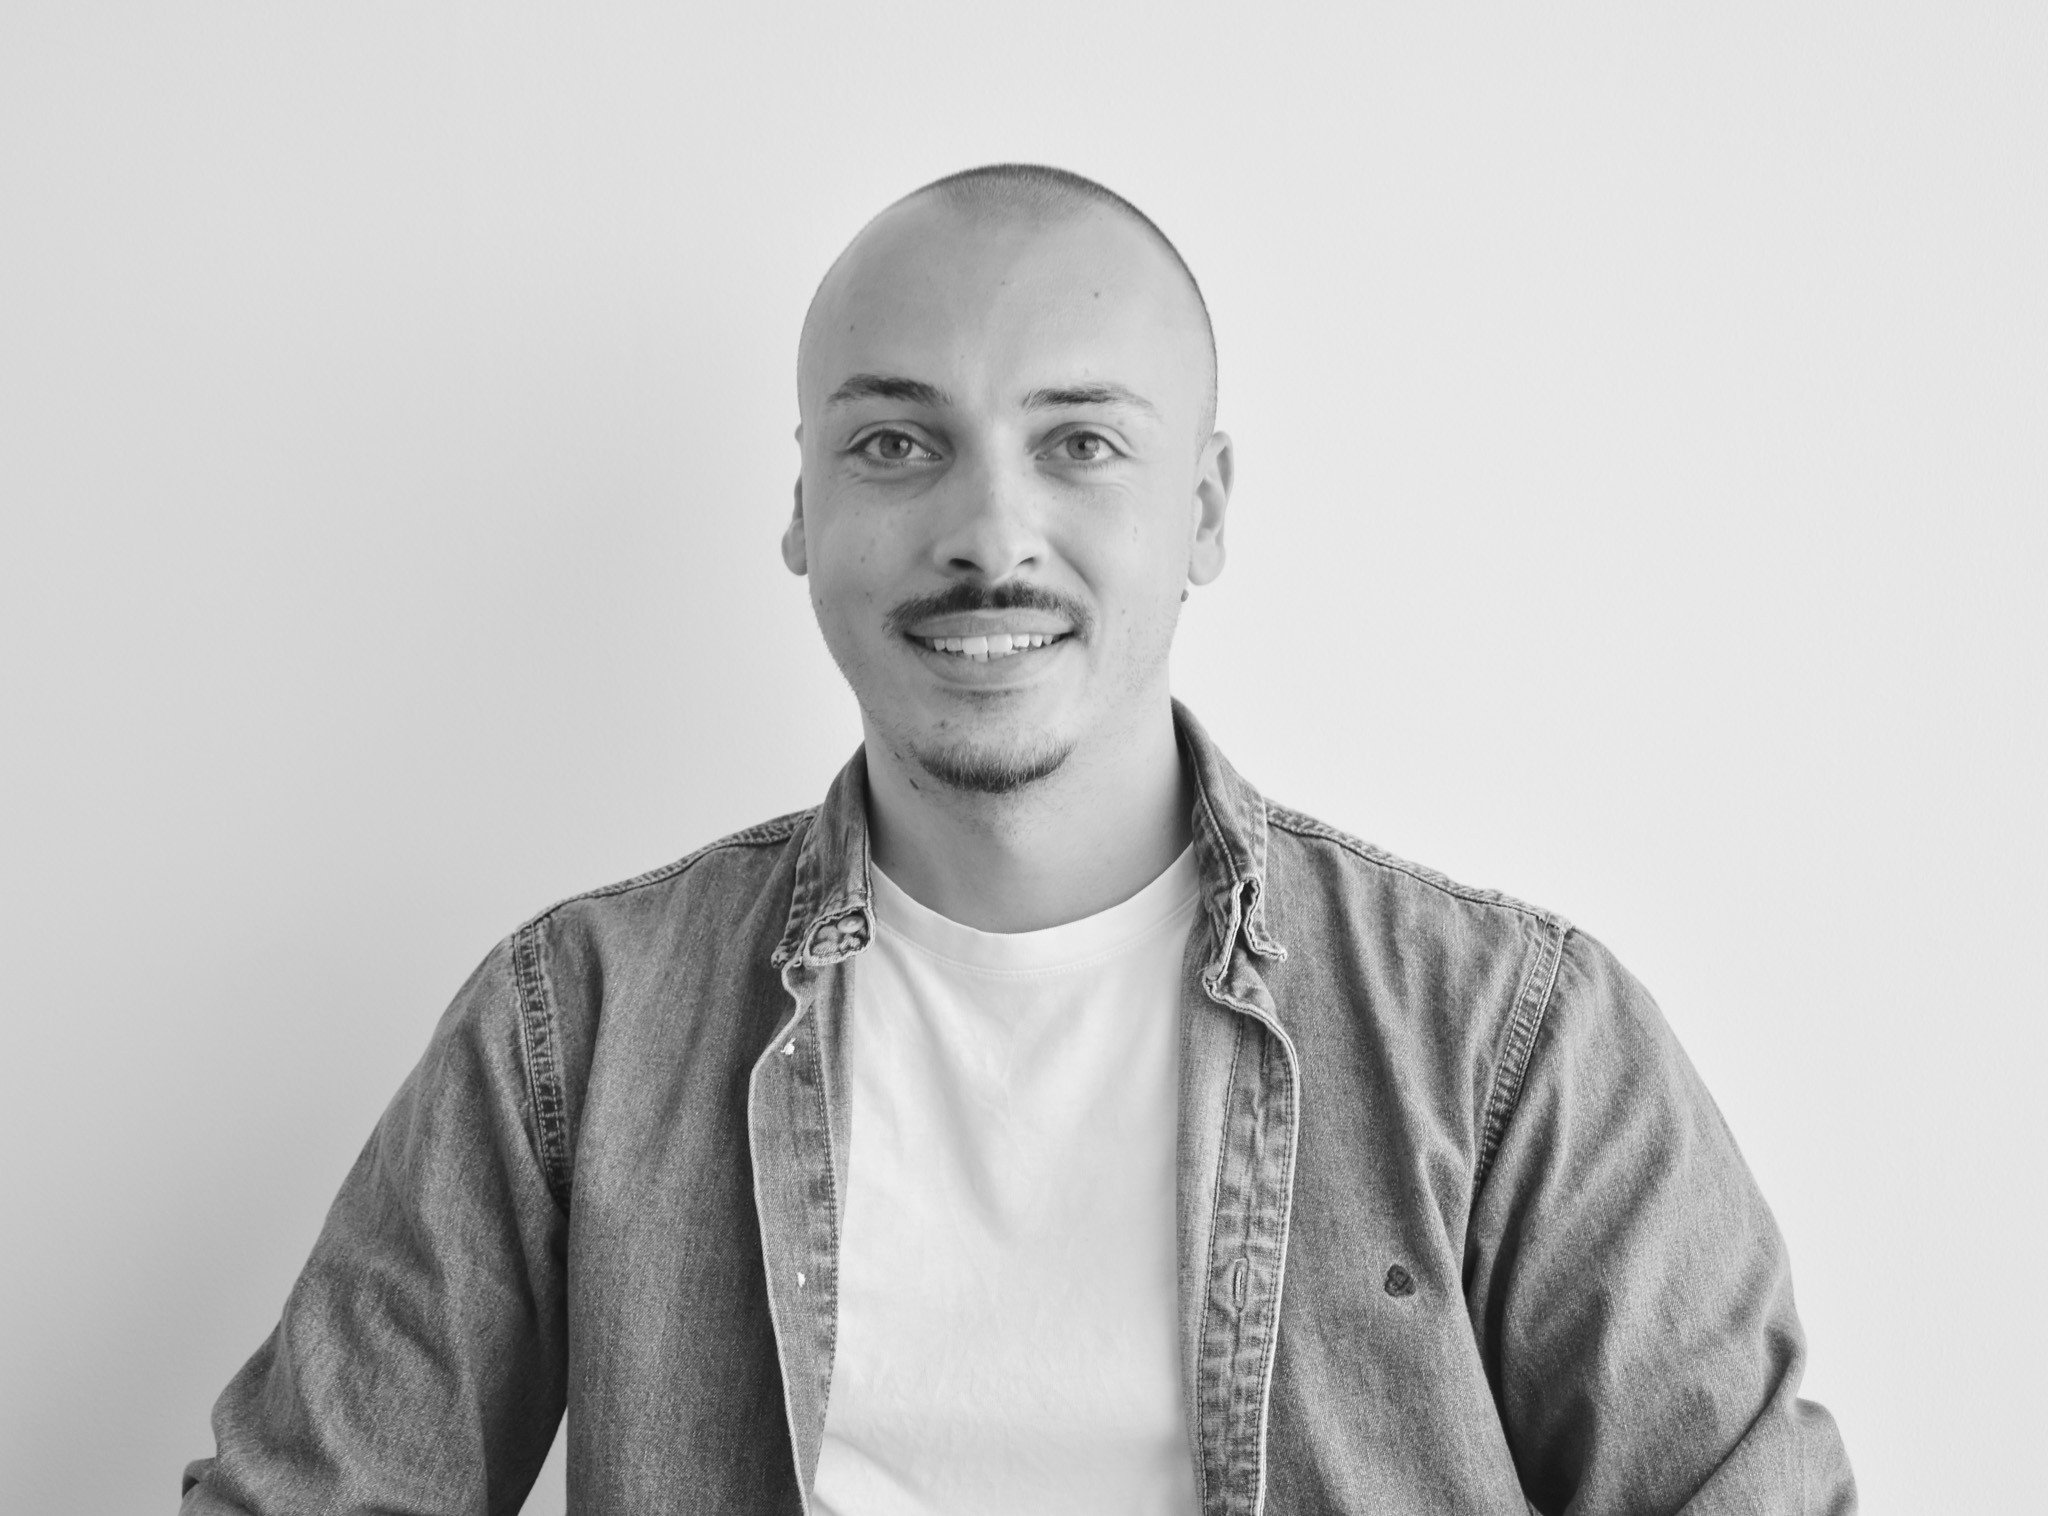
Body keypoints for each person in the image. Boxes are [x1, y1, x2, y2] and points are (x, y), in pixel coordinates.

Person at [180, 164, 1855, 1516]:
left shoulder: (1509, 1039)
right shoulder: (576, 1028)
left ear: (1203, 509)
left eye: (1080, 444)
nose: (990, 533)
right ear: (804, 507)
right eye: (896, 444)